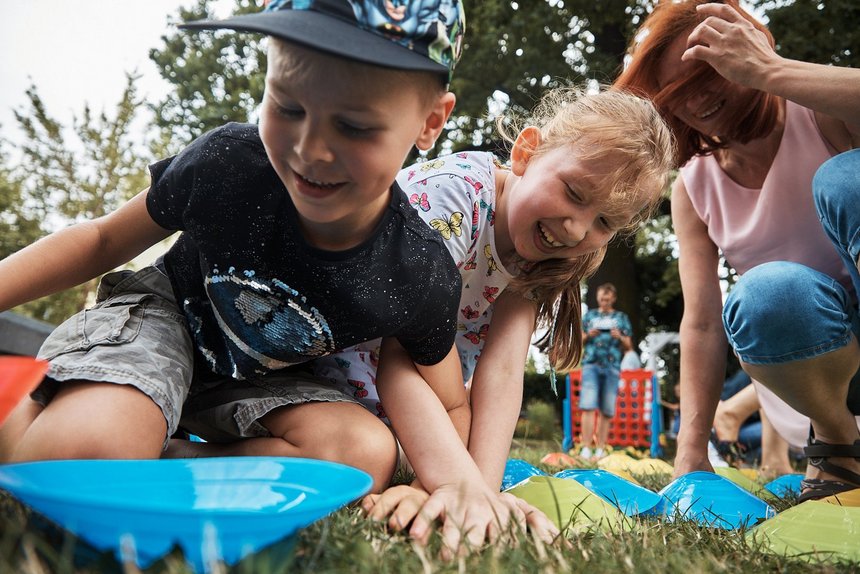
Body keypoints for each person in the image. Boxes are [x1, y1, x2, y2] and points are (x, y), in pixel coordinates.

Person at [0, 0, 538, 550]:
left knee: (362, 457)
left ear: (430, 122)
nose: (310, 150)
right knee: (81, 459)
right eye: (286, 106)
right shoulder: (229, 162)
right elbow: (101, 239)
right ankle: (56, 419)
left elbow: (450, 399)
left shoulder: (415, 270)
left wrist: (444, 483)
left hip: (263, 381)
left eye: (353, 125)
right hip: (166, 323)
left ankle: (146, 452)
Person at [323, 87, 674, 532]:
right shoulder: (453, 198)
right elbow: (402, 356)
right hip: (334, 370)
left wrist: (481, 492)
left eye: (605, 222)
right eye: (575, 193)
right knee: (366, 463)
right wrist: (456, 481)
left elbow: (504, 370)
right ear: (527, 152)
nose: (576, 227)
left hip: (412, 401)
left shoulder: (544, 253)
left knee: (416, 464)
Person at [614, 0, 860, 500]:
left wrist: (771, 72)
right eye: (676, 92)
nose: (696, 99)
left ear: (747, 50)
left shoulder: (820, 115)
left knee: (846, 179)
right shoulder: (693, 187)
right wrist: (690, 455)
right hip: (824, 379)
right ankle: (838, 447)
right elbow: (702, 323)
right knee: (764, 293)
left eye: (711, 70)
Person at [577, 283, 633, 460]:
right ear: (598, 298)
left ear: (613, 299)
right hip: (591, 364)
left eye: (607, 299)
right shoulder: (590, 316)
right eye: (602, 299)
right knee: (588, 405)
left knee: (606, 409)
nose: (604, 301)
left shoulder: (621, 318)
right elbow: (579, 341)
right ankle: (586, 449)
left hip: (612, 366)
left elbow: (629, 346)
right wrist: (589, 335)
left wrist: (620, 337)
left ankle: (600, 450)